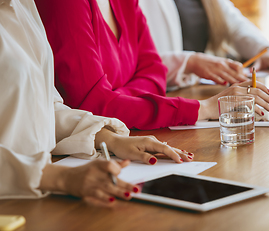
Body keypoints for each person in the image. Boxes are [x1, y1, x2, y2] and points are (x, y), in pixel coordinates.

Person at [0, 0, 193, 208]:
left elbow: (42, 107)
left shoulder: (20, 6)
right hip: (19, 198)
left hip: (38, 198)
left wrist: (108, 137)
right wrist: (58, 177)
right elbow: (92, 99)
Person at [34, 0, 269, 131]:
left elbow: (154, 71)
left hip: (128, 134)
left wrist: (115, 100)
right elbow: (91, 108)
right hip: (83, 153)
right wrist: (204, 109)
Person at [139, 0, 269, 90]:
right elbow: (131, 62)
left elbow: (235, 25)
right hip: (158, 96)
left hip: (195, 92)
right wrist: (188, 62)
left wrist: (265, 50)